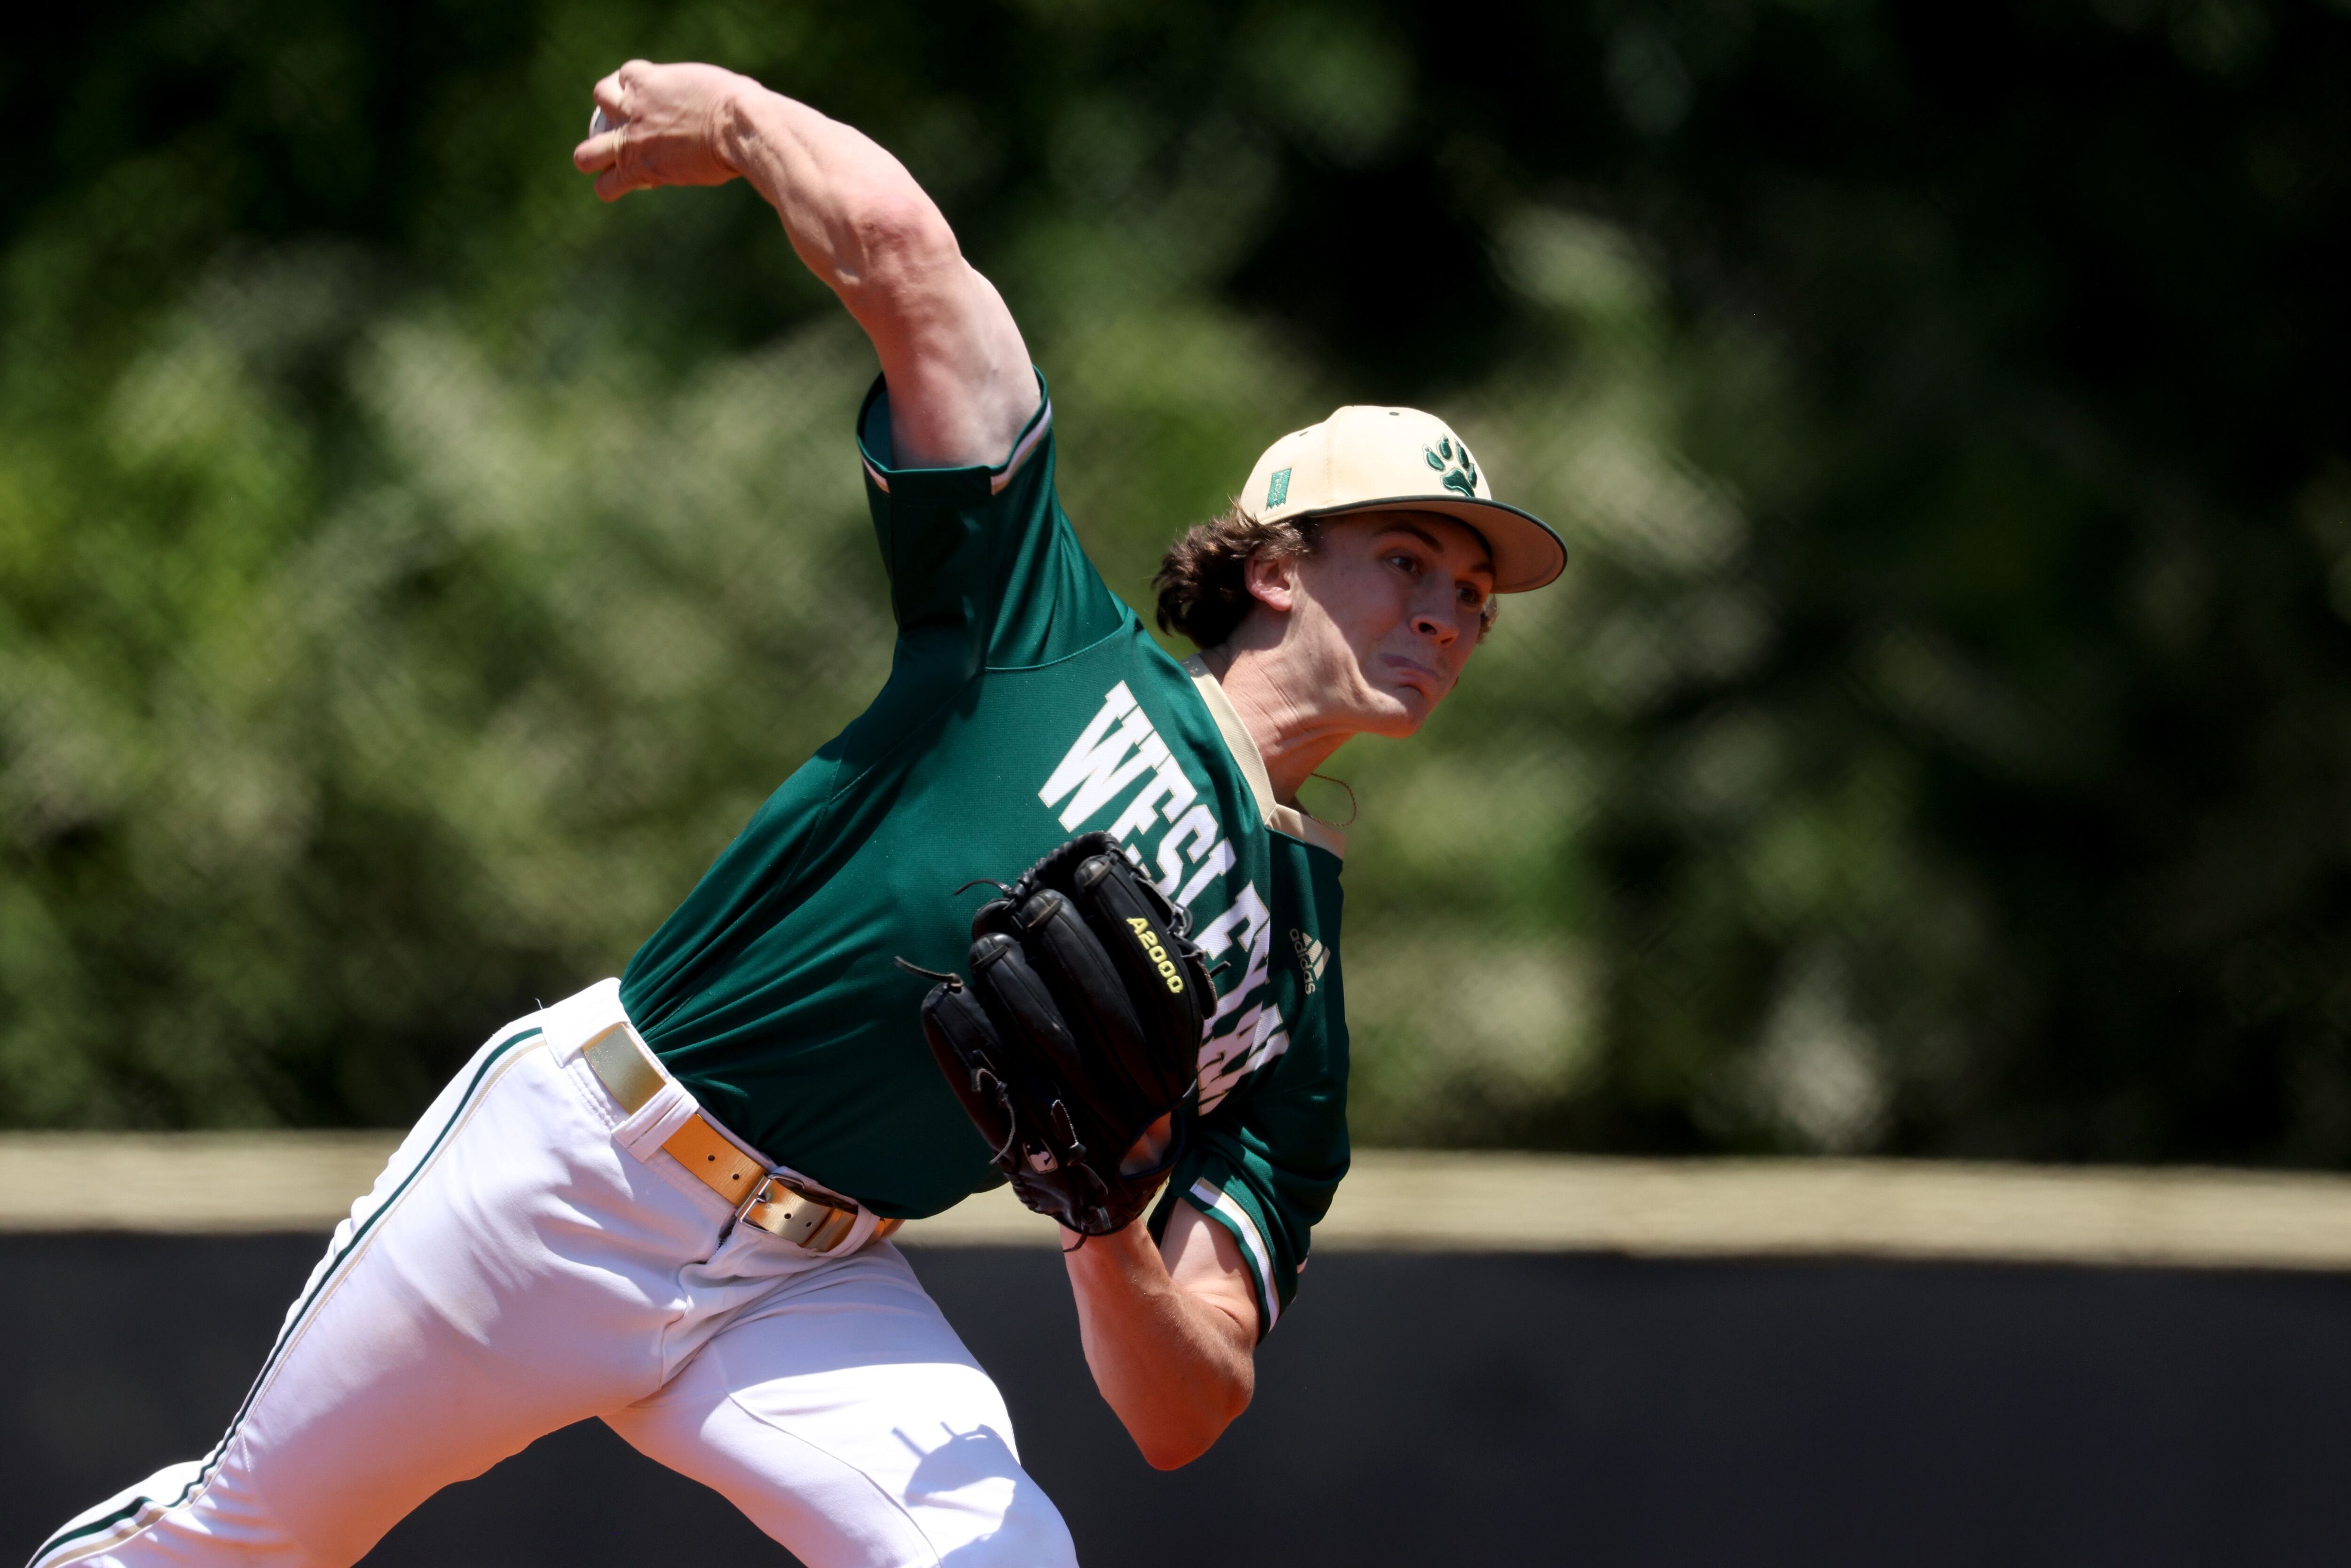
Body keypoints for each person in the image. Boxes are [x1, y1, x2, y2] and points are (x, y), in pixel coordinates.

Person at [31, 58, 1564, 1568]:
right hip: (587, 1166)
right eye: (1412, 559)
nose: (1445, 611)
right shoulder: (1047, 637)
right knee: (233, 1551)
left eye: (1475, 599)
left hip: (810, 1284)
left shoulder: (1295, 997)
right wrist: (745, 121)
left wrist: (1107, 1222)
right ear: (1277, 562)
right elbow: (917, 273)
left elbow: (1188, 1401)